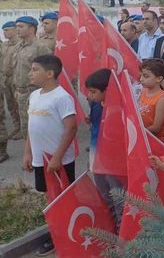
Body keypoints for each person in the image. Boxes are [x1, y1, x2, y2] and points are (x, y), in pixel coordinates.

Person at [22, 55, 77, 256]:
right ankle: (56, 231)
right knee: (50, 198)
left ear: (50, 73)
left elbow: (71, 128)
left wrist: (57, 157)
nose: (30, 73)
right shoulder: (35, 95)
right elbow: (31, 126)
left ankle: (65, 234)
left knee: (62, 198)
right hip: (39, 160)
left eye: (34, 69)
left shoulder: (61, 97)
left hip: (57, 162)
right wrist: (27, 152)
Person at [85, 68, 124, 230]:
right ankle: (111, 227)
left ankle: (122, 231)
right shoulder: (95, 104)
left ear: (107, 90)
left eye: (93, 92)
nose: (89, 96)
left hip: (114, 161)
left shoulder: (120, 106)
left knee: (118, 196)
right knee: (104, 194)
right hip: (97, 155)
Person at [13, 16, 52, 140]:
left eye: (21, 26)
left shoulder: (40, 47)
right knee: (26, 129)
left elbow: (49, 73)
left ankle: (41, 156)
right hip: (21, 92)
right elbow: (16, 69)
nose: (17, 29)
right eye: (16, 26)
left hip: (35, 93)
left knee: (38, 127)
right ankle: (30, 155)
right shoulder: (18, 46)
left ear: (31, 29)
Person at [138, 59, 164, 142]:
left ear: (159, 78)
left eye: (146, 76)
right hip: (144, 137)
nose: (141, 79)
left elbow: (156, 128)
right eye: (141, 75)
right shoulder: (143, 91)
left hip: (157, 142)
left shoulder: (162, 99)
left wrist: (138, 130)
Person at [1, 21, 21, 142]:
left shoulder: (19, 45)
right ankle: (16, 126)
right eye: (4, 30)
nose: (5, 33)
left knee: (19, 104)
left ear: (14, 30)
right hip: (5, 78)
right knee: (10, 105)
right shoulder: (4, 45)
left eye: (7, 30)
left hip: (16, 77)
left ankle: (24, 127)